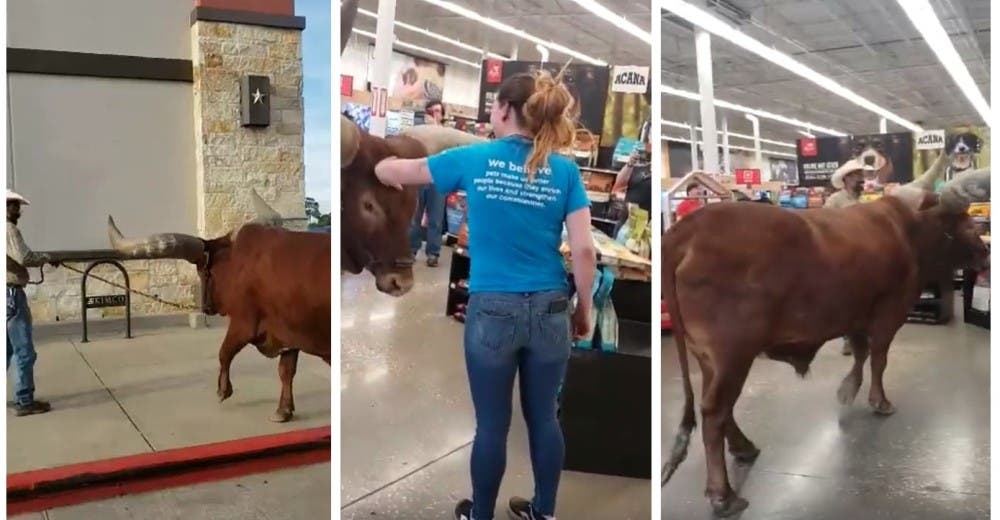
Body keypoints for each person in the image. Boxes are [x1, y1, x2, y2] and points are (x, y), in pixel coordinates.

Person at [374, 71, 596, 520]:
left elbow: (398, 171)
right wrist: (584, 309)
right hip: (552, 306)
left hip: (493, 308)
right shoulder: (566, 170)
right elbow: (586, 250)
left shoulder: (473, 158)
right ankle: (545, 512)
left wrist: (378, 167)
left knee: (492, 425)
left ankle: (481, 515)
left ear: (504, 111)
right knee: (545, 418)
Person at [7, 190, 52, 416]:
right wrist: (45, 258)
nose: (18, 211)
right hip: (11, 295)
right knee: (24, 350)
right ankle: (24, 401)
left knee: (6, 350)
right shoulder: (9, 229)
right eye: (15, 206)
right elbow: (24, 257)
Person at [409, 99, 448, 267]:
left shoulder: (446, 134)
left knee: (436, 219)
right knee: (413, 217)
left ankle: (433, 253)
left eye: (438, 111)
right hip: (418, 177)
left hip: (437, 180)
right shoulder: (418, 133)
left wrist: (436, 128)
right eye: (431, 111)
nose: (435, 114)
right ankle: (411, 249)